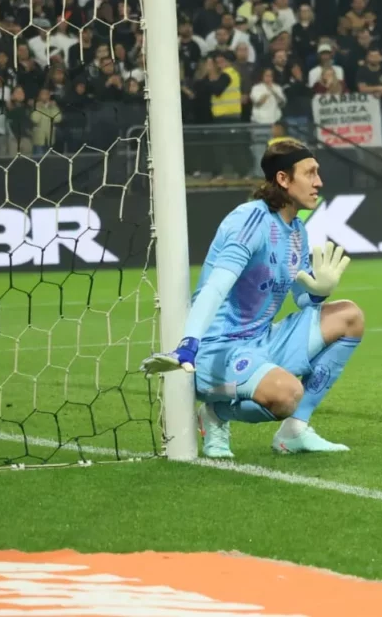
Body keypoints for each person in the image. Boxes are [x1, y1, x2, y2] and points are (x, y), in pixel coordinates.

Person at [141, 139, 364, 458]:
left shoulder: (297, 230)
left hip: (261, 341)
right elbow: (215, 288)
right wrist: (188, 344)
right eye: (310, 173)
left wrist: (320, 290)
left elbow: (303, 299)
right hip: (217, 350)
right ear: (283, 179)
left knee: (349, 316)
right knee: (287, 395)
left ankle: (295, 431)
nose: (319, 182)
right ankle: (216, 413)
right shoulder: (251, 220)